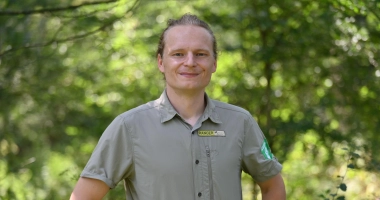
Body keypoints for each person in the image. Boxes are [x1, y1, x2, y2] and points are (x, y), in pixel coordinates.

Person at [70, 13, 286, 200]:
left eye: (200, 54)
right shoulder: (129, 127)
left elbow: (273, 186)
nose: (190, 62)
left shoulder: (241, 122)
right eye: (178, 54)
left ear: (214, 63)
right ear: (161, 62)